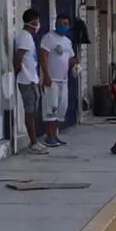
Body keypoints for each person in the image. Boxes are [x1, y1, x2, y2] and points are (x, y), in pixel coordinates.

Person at [39, 14, 79, 147]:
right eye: (60, 23)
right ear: (55, 24)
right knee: (51, 108)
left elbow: (69, 58)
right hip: (52, 80)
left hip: (64, 80)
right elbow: (43, 57)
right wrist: (46, 76)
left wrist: (75, 62)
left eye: (66, 23)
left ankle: (55, 134)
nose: (63, 25)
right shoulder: (48, 38)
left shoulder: (67, 41)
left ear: (69, 26)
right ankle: (48, 136)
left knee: (61, 109)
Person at [13, 9, 48, 155]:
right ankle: (33, 143)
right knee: (30, 112)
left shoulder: (27, 37)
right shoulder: (25, 37)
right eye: (37, 21)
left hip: (31, 79)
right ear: (33, 22)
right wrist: (19, 70)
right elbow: (18, 56)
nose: (38, 24)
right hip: (26, 80)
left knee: (33, 111)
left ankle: (34, 141)